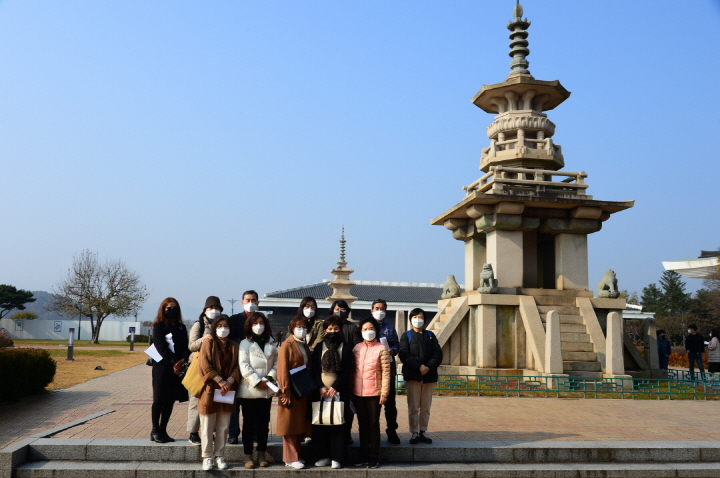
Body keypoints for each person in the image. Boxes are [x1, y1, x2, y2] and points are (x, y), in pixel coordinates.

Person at [197, 314, 241, 471]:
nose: (223, 329)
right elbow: (204, 365)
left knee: (223, 425)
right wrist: (219, 380)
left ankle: (219, 455)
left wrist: (229, 381)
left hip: (227, 390)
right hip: (210, 389)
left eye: (226, 326)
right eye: (220, 326)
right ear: (215, 328)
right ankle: (207, 456)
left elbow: (237, 367)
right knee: (207, 425)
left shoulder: (235, 345)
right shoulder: (208, 343)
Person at [311, 315, 353, 469]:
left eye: (336, 328)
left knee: (338, 425)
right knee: (321, 425)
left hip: (339, 392)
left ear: (340, 330)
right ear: (325, 330)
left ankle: (337, 457)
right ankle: (323, 456)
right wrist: (321, 386)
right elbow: (315, 369)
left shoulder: (346, 347)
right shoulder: (319, 347)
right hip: (321, 392)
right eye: (330, 328)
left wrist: (335, 387)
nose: (333, 331)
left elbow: (347, 370)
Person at [238, 312, 278, 469]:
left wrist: (269, 378)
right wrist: (256, 381)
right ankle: (248, 455)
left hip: (266, 391)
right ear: (250, 325)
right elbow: (244, 365)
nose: (258, 326)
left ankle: (261, 453)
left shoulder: (272, 343)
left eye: (261, 322)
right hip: (250, 391)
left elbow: (276, 364)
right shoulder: (244, 343)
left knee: (263, 424)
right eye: (255, 323)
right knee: (248, 424)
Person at [398, 307, 442, 445]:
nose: (418, 320)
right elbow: (404, 353)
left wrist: (428, 366)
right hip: (413, 375)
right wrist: (419, 366)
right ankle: (414, 432)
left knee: (425, 406)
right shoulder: (407, 335)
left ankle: (423, 431)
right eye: (415, 317)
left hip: (428, 376)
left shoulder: (430, 335)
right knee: (413, 406)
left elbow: (438, 354)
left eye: (421, 317)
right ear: (411, 319)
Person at [352, 316, 390, 469]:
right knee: (362, 425)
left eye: (371, 328)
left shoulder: (381, 348)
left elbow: (386, 372)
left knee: (373, 425)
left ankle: (374, 456)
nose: (369, 331)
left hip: (375, 393)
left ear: (376, 330)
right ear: (361, 332)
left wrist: (384, 393)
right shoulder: (357, 348)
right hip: (358, 393)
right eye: (365, 329)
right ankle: (363, 454)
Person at [150, 297, 190, 443]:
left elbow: (186, 346)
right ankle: (155, 430)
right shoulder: (158, 326)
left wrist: (181, 361)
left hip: (177, 369)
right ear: (163, 309)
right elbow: (160, 347)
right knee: (159, 399)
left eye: (174, 307)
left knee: (170, 400)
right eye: (168, 308)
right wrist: (173, 361)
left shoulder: (181, 327)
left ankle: (163, 429)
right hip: (162, 367)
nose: (171, 310)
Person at [186, 296, 223, 445]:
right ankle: (193, 432)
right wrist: (204, 339)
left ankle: (210, 431)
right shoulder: (199, 325)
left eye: (217, 308)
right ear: (205, 310)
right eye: (210, 308)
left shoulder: (223, 325)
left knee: (213, 400)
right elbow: (191, 345)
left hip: (217, 369)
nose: (214, 311)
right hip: (199, 368)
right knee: (196, 400)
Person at [276, 316, 312, 469]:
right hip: (291, 390)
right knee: (289, 425)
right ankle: (289, 458)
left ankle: (296, 455)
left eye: (304, 327)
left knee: (298, 424)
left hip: (302, 390)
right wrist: (284, 392)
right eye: (298, 326)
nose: (301, 329)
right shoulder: (287, 344)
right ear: (292, 328)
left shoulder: (304, 344)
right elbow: (282, 369)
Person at [330, 298, 362, 443]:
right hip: (330, 371)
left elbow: (357, 346)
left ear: (347, 311)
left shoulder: (352, 328)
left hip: (348, 371)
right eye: (337, 309)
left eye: (343, 309)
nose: (340, 311)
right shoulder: (329, 326)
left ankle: (347, 432)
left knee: (348, 404)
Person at [227, 290, 255, 444]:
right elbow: (230, 339)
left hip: (255, 367)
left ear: (257, 302)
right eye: (247, 300)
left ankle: (253, 432)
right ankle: (233, 433)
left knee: (251, 403)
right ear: (242, 302)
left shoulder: (261, 320)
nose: (250, 302)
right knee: (234, 403)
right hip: (236, 366)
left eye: (253, 300)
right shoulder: (234, 320)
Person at [371, 299, 400, 444]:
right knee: (373, 403)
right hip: (372, 370)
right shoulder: (367, 326)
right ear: (371, 311)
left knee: (390, 402)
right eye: (376, 308)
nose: (379, 310)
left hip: (388, 369)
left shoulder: (390, 327)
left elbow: (396, 344)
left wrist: (392, 350)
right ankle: (372, 431)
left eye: (382, 308)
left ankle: (392, 430)